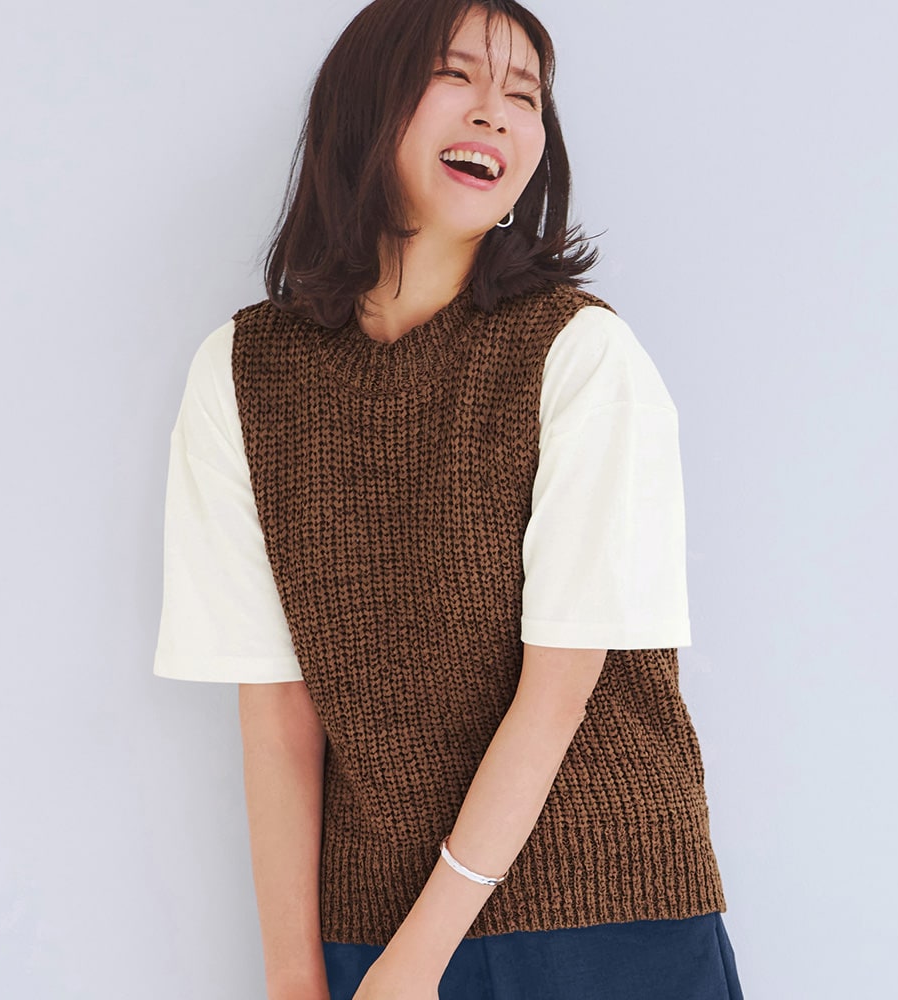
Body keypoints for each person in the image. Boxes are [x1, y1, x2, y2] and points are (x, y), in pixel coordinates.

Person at [153, 0, 744, 997]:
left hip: (605, 912)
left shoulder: (580, 354)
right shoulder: (243, 372)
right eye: (455, 75)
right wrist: (293, 977)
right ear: (364, 105)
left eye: (525, 96)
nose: (494, 114)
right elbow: (277, 707)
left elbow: (559, 690)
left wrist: (417, 960)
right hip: (370, 921)